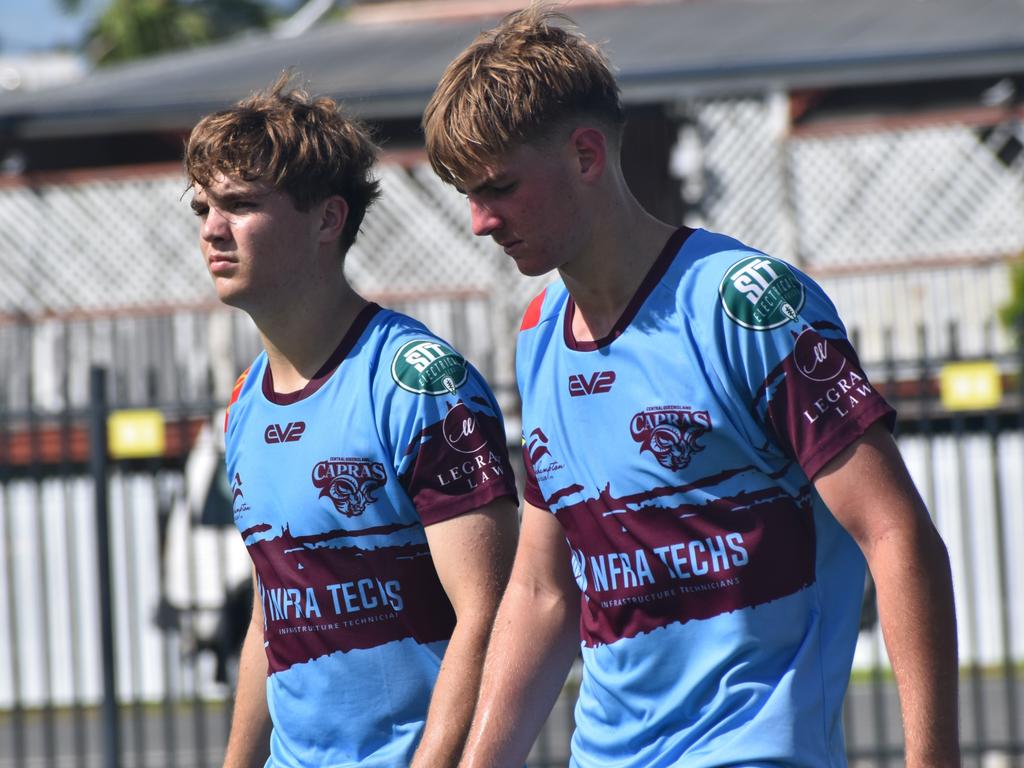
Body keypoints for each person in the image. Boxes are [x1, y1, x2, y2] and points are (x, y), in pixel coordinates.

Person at [423, 7, 960, 767]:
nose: (479, 221)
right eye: (464, 194)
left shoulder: (748, 306)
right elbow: (544, 592)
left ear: (585, 155)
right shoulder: (541, 331)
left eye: (499, 187)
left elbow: (897, 535)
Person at [184, 73, 520, 768]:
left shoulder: (420, 383)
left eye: (240, 205)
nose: (212, 229)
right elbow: (267, 621)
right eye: (201, 208)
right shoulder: (245, 402)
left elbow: (488, 621)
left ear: (328, 220)